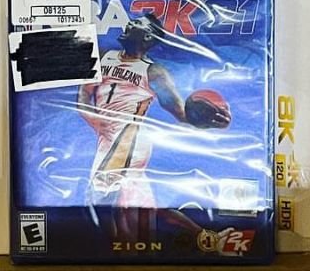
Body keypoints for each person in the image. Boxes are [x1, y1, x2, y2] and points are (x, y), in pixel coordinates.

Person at [76, 14, 228, 245]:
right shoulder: (104, 56)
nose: (129, 23)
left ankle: (116, 250)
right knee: (143, 205)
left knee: (100, 196)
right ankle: (204, 236)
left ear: (147, 37)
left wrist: (208, 123)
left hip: (128, 137)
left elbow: (181, 114)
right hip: (107, 135)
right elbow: (84, 93)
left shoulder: (154, 72)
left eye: (137, 23)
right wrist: (93, 118)